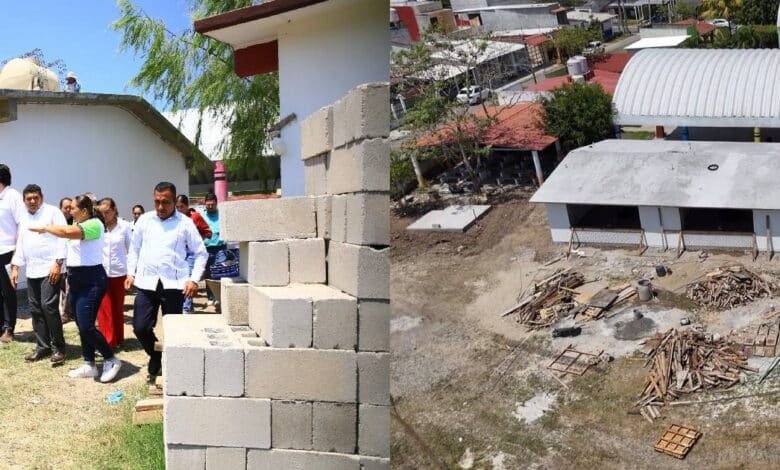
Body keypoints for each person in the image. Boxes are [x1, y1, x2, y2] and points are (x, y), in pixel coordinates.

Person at [31, 195, 122, 382]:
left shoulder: (94, 224)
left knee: (87, 326)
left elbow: (65, 232)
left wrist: (46, 228)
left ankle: (111, 359)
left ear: (84, 211)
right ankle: (89, 364)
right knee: (82, 325)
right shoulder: (76, 223)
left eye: (72, 208)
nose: (69, 211)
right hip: (77, 280)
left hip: (92, 281)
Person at [127, 182, 207, 379]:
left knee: (173, 331)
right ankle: (156, 354)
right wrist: (130, 273)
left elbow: (201, 253)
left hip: (174, 284)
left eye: (166, 202)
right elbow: (134, 249)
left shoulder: (185, 223)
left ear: (174, 201)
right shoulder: (144, 220)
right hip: (147, 282)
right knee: (140, 327)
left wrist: (194, 280)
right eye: (157, 202)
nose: (161, 207)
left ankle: (174, 369)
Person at [10, 184, 67, 364]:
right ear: (24, 201)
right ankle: (43, 347)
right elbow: (21, 242)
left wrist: (58, 263)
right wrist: (16, 266)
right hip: (32, 270)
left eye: (36, 197)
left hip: (51, 268)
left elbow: (63, 236)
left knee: (48, 306)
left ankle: (59, 348)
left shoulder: (53, 212)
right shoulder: (23, 217)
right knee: (35, 309)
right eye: (29, 198)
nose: (33, 201)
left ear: (41, 197)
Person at [96, 198, 132, 348]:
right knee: (104, 309)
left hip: (119, 273)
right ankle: (108, 342)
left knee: (117, 307)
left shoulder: (125, 226)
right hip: (101, 273)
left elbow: (131, 250)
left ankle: (118, 338)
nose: (105, 216)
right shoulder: (98, 227)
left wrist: (131, 273)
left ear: (114, 210)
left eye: (107, 212)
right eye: (101, 213)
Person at [175, 194, 212, 313]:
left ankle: (186, 308)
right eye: (177, 207)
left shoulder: (195, 217)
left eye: (181, 206)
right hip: (179, 252)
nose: (179, 209)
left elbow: (208, 232)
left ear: (187, 206)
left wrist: (197, 241)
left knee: (189, 278)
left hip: (192, 252)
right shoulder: (174, 218)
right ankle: (188, 306)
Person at [0, 164, 23, 343]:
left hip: (8, 251)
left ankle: (9, 327)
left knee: (8, 292)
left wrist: (17, 254)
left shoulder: (12, 196)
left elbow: (22, 224)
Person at [200, 192, 226, 305]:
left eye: (213, 204)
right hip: (206, 248)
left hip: (220, 248)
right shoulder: (201, 216)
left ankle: (219, 296)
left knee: (219, 271)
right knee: (209, 273)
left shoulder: (222, 215)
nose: (210, 206)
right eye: (208, 204)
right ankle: (211, 297)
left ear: (216, 203)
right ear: (205, 204)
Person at [58, 197, 74, 323]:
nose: (68, 210)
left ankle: (69, 311)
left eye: (70, 207)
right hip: (60, 259)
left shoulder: (76, 222)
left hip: (74, 259)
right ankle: (64, 313)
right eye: (66, 207)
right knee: (63, 286)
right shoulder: (57, 222)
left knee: (71, 286)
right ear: (60, 209)